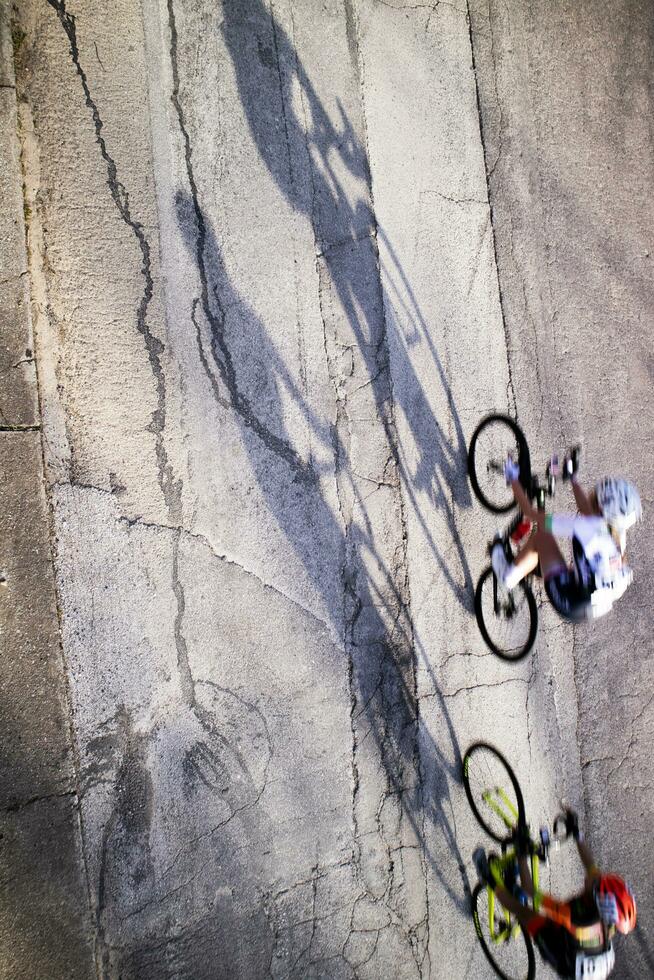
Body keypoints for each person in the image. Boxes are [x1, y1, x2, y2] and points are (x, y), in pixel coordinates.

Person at [474, 811, 636, 979]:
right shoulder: (602, 905)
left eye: (595, 882)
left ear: (594, 899)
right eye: (599, 879)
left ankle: (488, 879)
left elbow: (530, 890)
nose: (593, 877)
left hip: (568, 963)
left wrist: (521, 852)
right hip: (591, 957)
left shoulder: (573, 916)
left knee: (526, 912)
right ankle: (511, 885)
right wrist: (576, 832)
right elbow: (590, 865)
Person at [490, 452, 642, 621]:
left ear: (601, 506)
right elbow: (587, 510)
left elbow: (530, 512)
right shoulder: (617, 533)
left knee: (542, 537)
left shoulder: (584, 527)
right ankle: (533, 567)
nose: (594, 491)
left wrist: (512, 478)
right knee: (574, 562)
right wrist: (572, 478)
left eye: (598, 492)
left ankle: (507, 578)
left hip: (570, 600)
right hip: (591, 602)